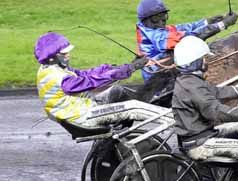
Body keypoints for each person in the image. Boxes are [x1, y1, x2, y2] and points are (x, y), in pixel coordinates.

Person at [171, 36, 238, 164]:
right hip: (200, 145)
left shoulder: (188, 82)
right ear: (195, 62)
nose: (206, 62)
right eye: (203, 59)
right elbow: (219, 112)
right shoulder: (193, 87)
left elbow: (218, 92)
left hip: (201, 136)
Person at [34, 32, 171, 129]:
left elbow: (86, 74)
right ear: (52, 57)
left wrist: (125, 67)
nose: (68, 55)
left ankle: (128, 124)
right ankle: (174, 120)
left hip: (80, 111)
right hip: (82, 118)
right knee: (133, 107)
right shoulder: (59, 78)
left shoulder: (51, 70)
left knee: (117, 91)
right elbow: (92, 82)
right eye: (64, 53)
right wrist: (129, 69)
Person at [135, 0, 238, 81]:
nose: (162, 21)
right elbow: (189, 39)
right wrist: (223, 24)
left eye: (164, 16)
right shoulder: (157, 37)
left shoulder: (154, 28)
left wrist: (208, 21)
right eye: (156, 18)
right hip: (160, 80)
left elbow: (186, 27)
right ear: (145, 20)